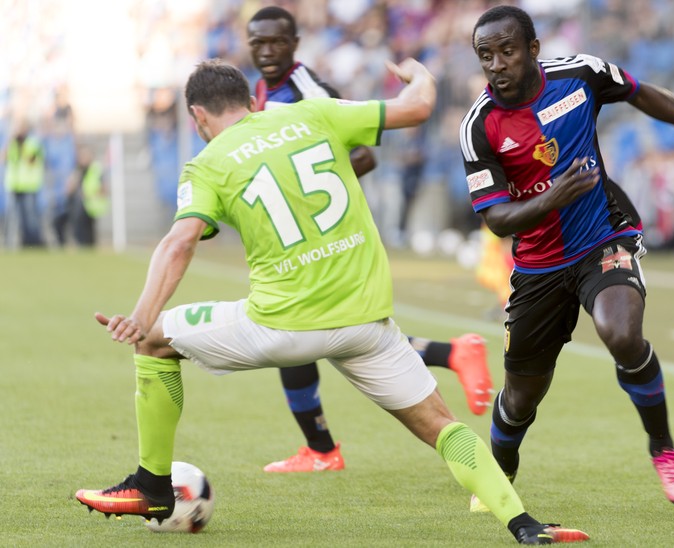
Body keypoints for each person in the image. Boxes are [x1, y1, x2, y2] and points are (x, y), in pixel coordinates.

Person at [74, 58, 588, 545]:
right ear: (250, 101)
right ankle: (523, 523)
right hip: (367, 325)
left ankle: (152, 485)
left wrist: (140, 317)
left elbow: (179, 241)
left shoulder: (205, 164)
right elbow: (418, 106)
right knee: (443, 426)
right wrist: (417, 72)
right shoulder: (314, 114)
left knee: (157, 341)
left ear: (198, 116)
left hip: (281, 326)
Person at [458, 5, 674, 509]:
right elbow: (498, 219)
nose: (497, 64)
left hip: (603, 236)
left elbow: (643, 95)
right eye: (486, 56)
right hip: (537, 266)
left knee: (621, 333)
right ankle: (499, 474)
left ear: (532, 49)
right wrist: (555, 196)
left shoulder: (580, 75)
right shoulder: (480, 126)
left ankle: (663, 448)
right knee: (521, 397)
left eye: (507, 51)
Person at [246, 6, 492, 474]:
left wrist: (300, 192)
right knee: (319, 333)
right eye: (258, 43)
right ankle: (451, 353)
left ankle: (322, 450)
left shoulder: (308, 91)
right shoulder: (263, 90)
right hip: (300, 239)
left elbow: (362, 156)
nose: (267, 51)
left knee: (297, 331)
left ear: (296, 42)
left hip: (326, 236)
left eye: (276, 41)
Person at [53, 144, 108, 247]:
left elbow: (104, 189)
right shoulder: (77, 170)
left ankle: (86, 246)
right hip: (76, 205)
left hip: (91, 205)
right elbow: (69, 188)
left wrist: (90, 194)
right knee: (60, 221)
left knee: (86, 230)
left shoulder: (96, 169)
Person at [3, 124, 46, 248]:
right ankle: (15, 242)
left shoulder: (33, 143)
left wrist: (21, 148)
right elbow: (4, 157)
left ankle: (33, 242)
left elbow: (32, 160)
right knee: (14, 216)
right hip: (14, 185)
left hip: (29, 186)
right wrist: (10, 142)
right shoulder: (12, 143)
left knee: (30, 217)